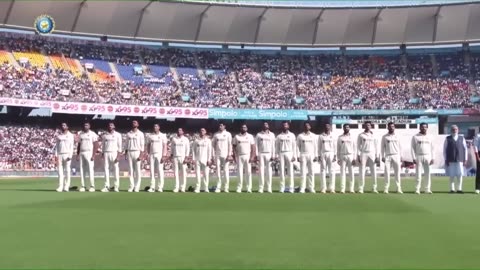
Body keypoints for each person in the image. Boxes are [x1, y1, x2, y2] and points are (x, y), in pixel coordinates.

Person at [443, 125, 467, 194]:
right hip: (450, 159)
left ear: (458, 130)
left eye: (456, 129)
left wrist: (465, 159)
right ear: (451, 130)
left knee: (460, 174)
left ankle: (459, 189)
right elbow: (444, 150)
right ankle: (452, 189)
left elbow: (465, 149)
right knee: (451, 175)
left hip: (460, 159)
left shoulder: (462, 138)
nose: (454, 130)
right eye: (453, 129)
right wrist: (445, 159)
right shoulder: (447, 138)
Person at [411, 123, 434, 194]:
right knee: (418, 174)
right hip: (419, 156)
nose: (424, 128)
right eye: (422, 127)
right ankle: (417, 189)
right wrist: (413, 158)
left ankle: (427, 189)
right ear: (420, 128)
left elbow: (433, 148)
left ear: (427, 128)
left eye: (425, 127)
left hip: (428, 156)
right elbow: (412, 148)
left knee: (428, 174)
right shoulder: (415, 137)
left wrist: (433, 158)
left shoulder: (430, 136)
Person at [357, 121, 379, 194]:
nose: (368, 126)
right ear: (364, 126)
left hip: (372, 153)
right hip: (363, 153)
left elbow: (377, 146)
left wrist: (377, 156)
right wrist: (358, 155)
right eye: (366, 125)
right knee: (362, 171)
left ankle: (374, 188)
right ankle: (361, 188)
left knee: (374, 171)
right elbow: (358, 146)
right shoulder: (361, 135)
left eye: (369, 125)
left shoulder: (374, 135)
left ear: (371, 126)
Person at [233, 124, 255, 193]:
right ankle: (239, 188)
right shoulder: (236, 136)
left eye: (245, 127)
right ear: (240, 128)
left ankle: (249, 188)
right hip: (239, 156)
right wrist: (235, 157)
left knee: (248, 172)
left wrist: (252, 157)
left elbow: (253, 147)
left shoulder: (250, 136)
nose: (244, 128)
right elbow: (233, 148)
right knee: (239, 172)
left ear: (247, 128)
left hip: (248, 155)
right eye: (242, 127)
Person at [76, 122, 99, 192]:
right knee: (82, 170)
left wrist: (93, 155)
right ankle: (83, 186)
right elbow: (79, 145)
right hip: (82, 152)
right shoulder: (81, 134)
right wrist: (77, 154)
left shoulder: (93, 134)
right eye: (84, 125)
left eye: (87, 125)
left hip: (89, 152)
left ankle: (92, 186)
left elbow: (96, 145)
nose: (85, 126)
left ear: (89, 126)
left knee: (90, 170)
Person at [380, 122, 402, 194]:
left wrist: (401, 156)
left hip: (396, 155)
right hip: (388, 156)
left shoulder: (398, 136)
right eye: (390, 126)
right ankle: (386, 188)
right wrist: (382, 156)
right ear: (387, 127)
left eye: (393, 126)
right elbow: (382, 147)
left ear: (394, 127)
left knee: (397, 173)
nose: (391, 128)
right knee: (386, 173)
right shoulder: (384, 137)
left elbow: (400, 147)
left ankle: (398, 188)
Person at [275, 121, 297, 193]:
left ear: (288, 126)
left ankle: (291, 188)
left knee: (290, 171)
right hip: (281, 153)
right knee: (282, 171)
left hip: (289, 152)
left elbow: (294, 146)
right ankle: (282, 187)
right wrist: (277, 155)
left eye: (286, 125)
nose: (285, 126)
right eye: (284, 125)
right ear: (282, 126)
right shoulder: (279, 136)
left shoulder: (292, 135)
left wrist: (294, 155)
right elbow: (277, 147)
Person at [296, 122, 318, 193]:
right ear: (303, 127)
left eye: (308, 125)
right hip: (303, 154)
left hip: (311, 155)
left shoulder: (314, 136)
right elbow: (297, 147)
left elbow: (315, 147)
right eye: (305, 126)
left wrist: (316, 156)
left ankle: (311, 188)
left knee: (311, 172)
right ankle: (302, 188)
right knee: (303, 172)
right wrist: (298, 155)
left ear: (310, 127)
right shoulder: (300, 136)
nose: (306, 127)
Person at [101, 122, 122, 192]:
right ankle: (106, 186)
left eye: (111, 125)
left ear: (114, 126)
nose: (110, 126)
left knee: (116, 170)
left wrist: (118, 156)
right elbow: (103, 146)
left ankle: (116, 186)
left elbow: (120, 146)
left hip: (114, 153)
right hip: (106, 153)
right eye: (109, 125)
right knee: (106, 170)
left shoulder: (118, 135)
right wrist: (102, 154)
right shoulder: (105, 135)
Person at [212, 122, 233, 193]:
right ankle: (218, 187)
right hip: (217, 155)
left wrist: (229, 154)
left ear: (224, 126)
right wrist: (213, 155)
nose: (220, 126)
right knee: (218, 171)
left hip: (225, 155)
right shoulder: (216, 134)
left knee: (226, 171)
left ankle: (226, 187)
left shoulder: (228, 134)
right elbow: (213, 145)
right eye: (219, 125)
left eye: (221, 125)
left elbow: (230, 145)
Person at [146, 123, 168, 192]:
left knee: (160, 171)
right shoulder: (150, 136)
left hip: (159, 154)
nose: (155, 127)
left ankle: (160, 187)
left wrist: (164, 155)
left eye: (156, 126)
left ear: (159, 127)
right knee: (151, 171)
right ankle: (152, 187)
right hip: (152, 154)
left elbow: (165, 146)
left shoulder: (163, 135)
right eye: (154, 126)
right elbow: (148, 146)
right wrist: (148, 154)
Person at [255, 122, 276, 193]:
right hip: (261, 153)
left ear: (268, 126)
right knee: (261, 171)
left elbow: (273, 146)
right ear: (262, 126)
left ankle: (269, 187)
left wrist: (273, 155)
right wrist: (257, 155)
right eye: (264, 124)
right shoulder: (258, 135)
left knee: (269, 172)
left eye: (266, 124)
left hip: (269, 154)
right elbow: (256, 146)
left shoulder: (272, 134)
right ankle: (261, 188)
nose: (265, 126)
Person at [125, 120, 145, 192]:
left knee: (137, 171)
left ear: (138, 124)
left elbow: (142, 145)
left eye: (135, 122)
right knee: (130, 171)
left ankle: (137, 186)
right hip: (130, 152)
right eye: (133, 122)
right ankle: (131, 186)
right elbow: (126, 145)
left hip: (137, 152)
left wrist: (141, 155)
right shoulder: (128, 134)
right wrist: (126, 154)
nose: (134, 123)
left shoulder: (141, 134)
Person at [55, 122, 75, 192]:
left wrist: (70, 155)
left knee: (67, 171)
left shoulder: (70, 135)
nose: (63, 126)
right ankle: (60, 186)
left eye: (64, 125)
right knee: (60, 171)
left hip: (67, 154)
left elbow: (72, 146)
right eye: (62, 125)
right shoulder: (59, 136)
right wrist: (56, 155)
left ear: (67, 127)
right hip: (60, 154)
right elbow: (57, 147)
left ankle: (66, 186)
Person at [192, 128, 212, 193]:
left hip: (205, 159)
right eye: (201, 131)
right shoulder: (196, 140)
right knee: (197, 174)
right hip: (197, 159)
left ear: (205, 132)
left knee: (206, 174)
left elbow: (210, 151)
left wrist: (209, 159)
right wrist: (193, 159)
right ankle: (197, 188)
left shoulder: (208, 140)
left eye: (203, 130)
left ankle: (206, 188)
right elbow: (193, 150)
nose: (202, 131)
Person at [337, 124, 356, 194]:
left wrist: (354, 158)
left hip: (350, 155)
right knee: (342, 173)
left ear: (349, 128)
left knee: (351, 173)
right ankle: (342, 189)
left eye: (348, 127)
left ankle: (351, 189)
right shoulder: (340, 137)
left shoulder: (352, 137)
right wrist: (338, 158)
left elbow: (355, 148)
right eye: (345, 127)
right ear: (343, 128)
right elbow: (338, 148)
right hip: (342, 155)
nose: (346, 128)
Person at [170, 128, 190, 193]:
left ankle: (183, 188)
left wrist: (186, 157)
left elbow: (188, 149)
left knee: (183, 173)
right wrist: (171, 156)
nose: (179, 131)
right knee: (176, 173)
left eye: (180, 130)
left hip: (183, 157)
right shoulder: (174, 139)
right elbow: (172, 148)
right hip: (175, 157)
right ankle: (176, 187)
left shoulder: (186, 139)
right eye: (178, 130)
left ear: (183, 131)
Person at [318, 123, 336, 193]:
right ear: (324, 128)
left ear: (330, 127)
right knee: (323, 171)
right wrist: (319, 156)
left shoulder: (333, 135)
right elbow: (319, 147)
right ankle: (323, 188)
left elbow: (335, 146)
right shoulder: (321, 136)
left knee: (332, 171)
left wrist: (335, 155)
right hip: (323, 153)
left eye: (328, 126)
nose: (327, 128)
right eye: (326, 126)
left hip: (331, 153)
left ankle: (332, 188)